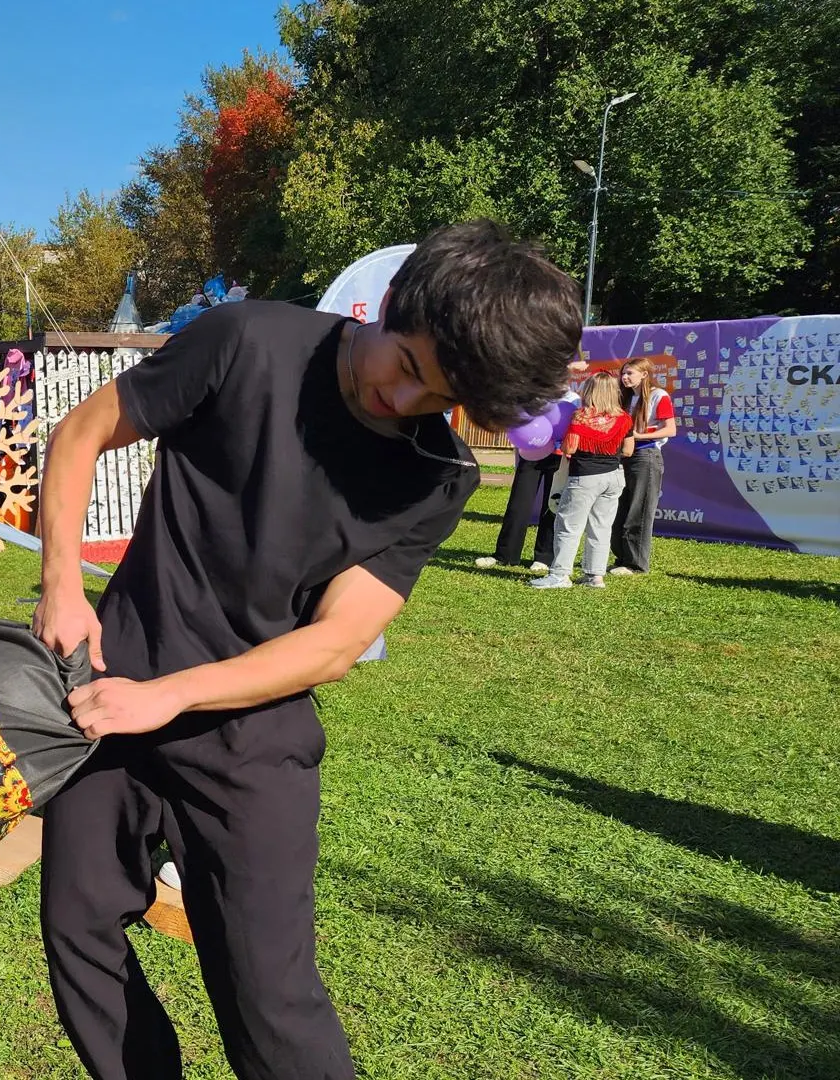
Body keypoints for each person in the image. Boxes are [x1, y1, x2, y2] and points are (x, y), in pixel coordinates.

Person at [30, 220, 582, 1080]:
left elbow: (334, 644)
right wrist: (63, 583)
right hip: (112, 686)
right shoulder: (245, 340)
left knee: (270, 995)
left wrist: (173, 696)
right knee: (79, 930)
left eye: (437, 398)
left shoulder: (437, 479)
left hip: (254, 737)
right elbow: (81, 433)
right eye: (406, 367)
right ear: (394, 307)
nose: (404, 404)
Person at [477, 361, 587, 572]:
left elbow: (574, 427)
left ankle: (544, 557)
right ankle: (505, 555)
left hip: (557, 456)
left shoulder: (574, 400)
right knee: (518, 504)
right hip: (532, 454)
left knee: (550, 506)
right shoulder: (534, 395)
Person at [531, 371, 635, 590]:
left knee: (568, 526)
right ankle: (595, 576)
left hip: (585, 476)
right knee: (602, 527)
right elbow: (628, 449)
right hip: (614, 475)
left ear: (590, 391)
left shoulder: (581, 416)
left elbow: (570, 447)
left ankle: (560, 575)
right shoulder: (624, 418)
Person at [610, 356, 676, 576]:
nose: (625, 377)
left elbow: (670, 429)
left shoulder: (659, 396)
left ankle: (635, 564)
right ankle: (621, 557)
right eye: (623, 373)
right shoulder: (626, 398)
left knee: (639, 510)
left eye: (630, 373)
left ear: (645, 374)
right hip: (624, 455)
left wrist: (639, 435)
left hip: (646, 455)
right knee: (621, 507)